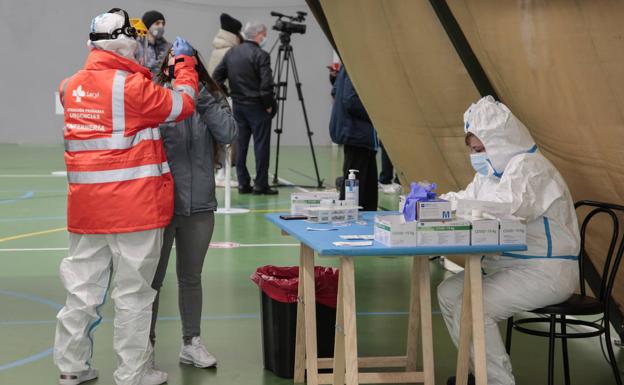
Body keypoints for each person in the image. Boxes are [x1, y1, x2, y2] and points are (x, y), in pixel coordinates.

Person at [54, 9, 198, 385]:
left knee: (82, 290)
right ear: (126, 44)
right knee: (133, 294)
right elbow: (182, 105)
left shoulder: (69, 86)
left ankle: (71, 367)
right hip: (134, 210)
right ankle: (133, 373)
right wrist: (184, 67)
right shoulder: (132, 89)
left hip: (86, 210)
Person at [437, 96, 580, 385]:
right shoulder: (493, 173)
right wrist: (436, 202)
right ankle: (480, 375)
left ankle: (498, 382)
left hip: (545, 271)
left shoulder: (530, 168)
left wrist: (458, 206)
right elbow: (470, 197)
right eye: (473, 150)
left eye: (480, 148)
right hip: (509, 266)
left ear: (500, 141)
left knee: (474, 306)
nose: (476, 156)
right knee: (448, 293)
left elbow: (510, 206)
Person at [150, 48, 237, 368]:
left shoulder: (211, 97)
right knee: (151, 280)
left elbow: (228, 133)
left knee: (191, 277)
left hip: (199, 204)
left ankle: (191, 342)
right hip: (160, 205)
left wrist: (197, 94)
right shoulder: (155, 95)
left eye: (187, 65)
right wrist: (173, 94)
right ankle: (145, 346)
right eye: (176, 65)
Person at [213, 21, 277, 195]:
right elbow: (266, 84)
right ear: (259, 35)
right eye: (264, 34)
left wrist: (228, 92)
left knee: (241, 145)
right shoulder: (261, 55)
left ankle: (243, 183)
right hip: (258, 107)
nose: (265, 37)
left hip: (239, 106)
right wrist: (269, 105)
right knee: (261, 146)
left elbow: (216, 77)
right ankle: (260, 184)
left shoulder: (232, 53)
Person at [329, 66, 379, 211]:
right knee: (353, 190)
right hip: (357, 135)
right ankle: (346, 222)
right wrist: (375, 112)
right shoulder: (356, 67)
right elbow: (350, 100)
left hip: (363, 137)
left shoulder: (353, 65)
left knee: (368, 190)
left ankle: (367, 225)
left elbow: (336, 91)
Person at [207, 13, 243, 186]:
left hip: (218, 99)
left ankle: (222, 172)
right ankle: (223, 174)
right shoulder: (230, 51)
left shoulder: (217, 49)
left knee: (221, 137)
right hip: (227, 99)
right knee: (228, 137)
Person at [142, 10, 171, 74]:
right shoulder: (137, 45)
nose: (161, 26)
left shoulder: (168, 48)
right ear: (148, 25)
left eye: (163, 24)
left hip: (159, 83)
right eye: (157, 23)